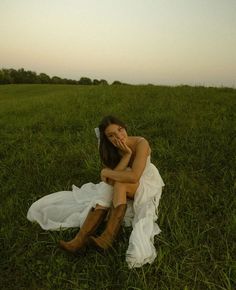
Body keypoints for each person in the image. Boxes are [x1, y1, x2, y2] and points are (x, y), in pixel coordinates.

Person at [27, 115, 164, 268]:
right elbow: (110, 182)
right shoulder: (110, 150)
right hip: (122, 180)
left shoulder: (141, 143)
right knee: (109, 188)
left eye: (120, 130)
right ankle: (80, 239)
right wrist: (126, 155)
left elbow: (134, 176)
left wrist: (106, 172)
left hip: (145, 182)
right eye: (111, 135)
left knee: (120, 185)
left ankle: (107, 237)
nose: (118, 136)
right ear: (106, 138)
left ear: (124, 127)